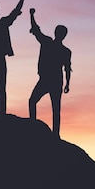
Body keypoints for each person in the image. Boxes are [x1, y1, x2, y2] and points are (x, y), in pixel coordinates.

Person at [28, 8, 72, 139]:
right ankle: (53, 133)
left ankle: (51, 133)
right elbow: (36, 30)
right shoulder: (61, 49)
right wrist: (32, 16)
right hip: (52, 80)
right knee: (51, 107)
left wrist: (31, 15)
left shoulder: (51, 44)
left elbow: (68, 68)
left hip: (51, 80)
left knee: (35, 102)